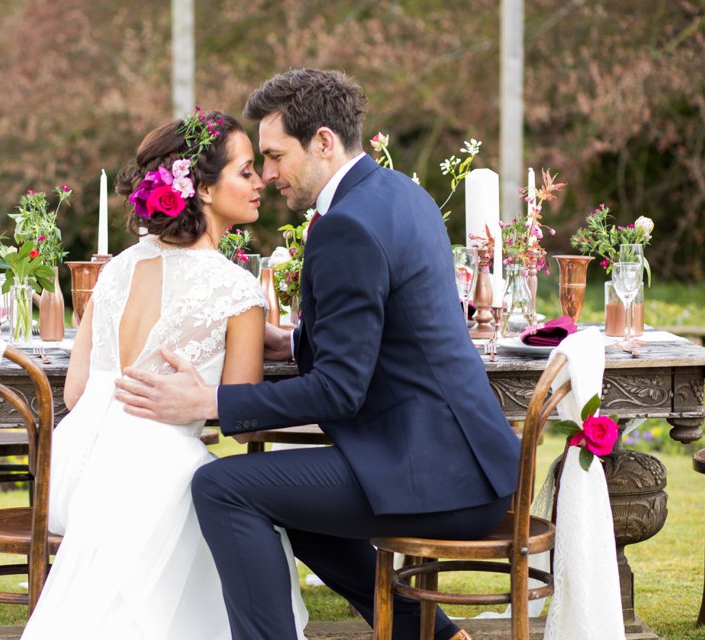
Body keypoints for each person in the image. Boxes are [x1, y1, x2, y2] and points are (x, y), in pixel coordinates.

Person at [115, 69, 521, 640]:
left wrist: (208, 399)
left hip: (437, 475)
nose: (270, 173)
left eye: (276, 156)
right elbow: (395, 330)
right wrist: (296, 340)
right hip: (464, 460)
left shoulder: (346, 226)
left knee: (224, 487)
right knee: (284, 492)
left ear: (324, 142)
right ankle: (433, 635)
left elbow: (339, 391)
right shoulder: (403, 193)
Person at [21, 110, 307, 639]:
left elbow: (79, 390)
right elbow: (242, 422)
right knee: (233, 511)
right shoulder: (236, 290)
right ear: (199, 188)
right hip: (150, 471)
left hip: (76, 466)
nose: (260, 182)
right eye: (245, 171)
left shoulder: (115, 268)